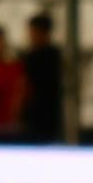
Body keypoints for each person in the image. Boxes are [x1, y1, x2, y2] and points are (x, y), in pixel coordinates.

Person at [21, 12, 62, 142]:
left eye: (33, 32)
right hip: (32, 115)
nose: (31, 36)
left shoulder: (54, 57)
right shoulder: (29, 56)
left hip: (49, 115)